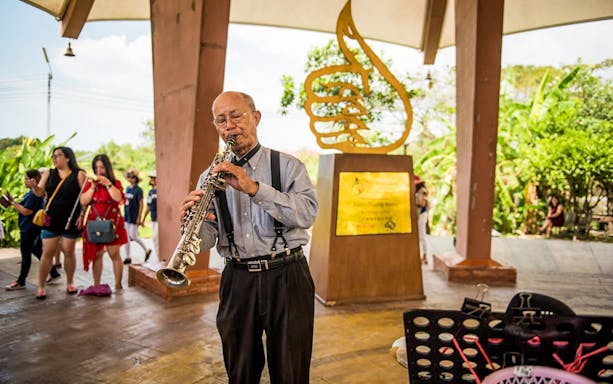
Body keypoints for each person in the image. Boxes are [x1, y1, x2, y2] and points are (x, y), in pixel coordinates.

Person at [181, 91, 319, 383]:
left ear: (255, 118)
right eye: (221, 120)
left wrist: (255, 188)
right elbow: (209, 237)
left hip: (287, 274)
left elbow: (307, 214)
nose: (229, 125)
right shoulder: (209, 176)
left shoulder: (288, 166)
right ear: (217, 127)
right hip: (237, 279)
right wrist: (192, 226)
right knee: (239, 369)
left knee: (291, 370)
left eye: (236, 116)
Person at [28, 147, 87, 300]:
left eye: (57, 156)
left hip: (71, 219)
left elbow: (84, 198)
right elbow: (40, 192)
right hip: (51, 219)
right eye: (53, 156)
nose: (54, 159)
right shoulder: (49, 173)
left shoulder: (79, 174)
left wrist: (82, 214)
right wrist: (34, 186)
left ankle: (70, 282)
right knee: (47, 252)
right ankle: (41, 286)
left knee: (69, 251)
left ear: (67, 158)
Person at [5, 169, 61, 290]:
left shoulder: (34, 194)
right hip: (32, 227)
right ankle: (54, 273)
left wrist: (12, 202)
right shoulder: (33, 192)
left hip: (29, 228)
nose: (25, 181)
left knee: (26, 255)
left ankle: (21, 280)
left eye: (26, 178)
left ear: (33, 180)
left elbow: (26, 211)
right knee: (37, 251)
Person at [80, 154, 129, 290]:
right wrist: (92, 188)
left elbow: (118, 198)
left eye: (102, 167)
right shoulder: (90, 184)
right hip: (94, 223)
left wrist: (108, 184)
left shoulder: (115, 182)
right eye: (96, 167)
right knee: (97, 255)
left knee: (114, 254)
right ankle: (96, 284)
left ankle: (118, 284)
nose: (99, 170)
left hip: (112, 223)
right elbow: (83, 201)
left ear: (107, 168)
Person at [122, 169, 151, 265]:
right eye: (129, 176)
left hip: (134, 216)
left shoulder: (138, 190)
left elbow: (141, 204)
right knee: (126, 237)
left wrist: (139, 217)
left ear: (136, 179)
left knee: (133, 236)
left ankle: (146, 249)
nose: (130, 178)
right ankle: (127, 256)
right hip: (127, 215)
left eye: (133, 177)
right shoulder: (127, 188)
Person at [141, 171, 159, 262]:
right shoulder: (151, 192)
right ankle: (158, 258)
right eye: (151, 178)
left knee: (157, 238)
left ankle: (160, 259)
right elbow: (148, 206)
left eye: (154, 178)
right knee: (155, 239)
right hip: (153, 218)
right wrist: (143, 218)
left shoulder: (160, 190)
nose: (152, 180)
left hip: (160, 220)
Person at [414, 175, 429, 264]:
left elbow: (422, 204)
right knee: (419, 236)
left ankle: (425, 255)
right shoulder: (417, 191)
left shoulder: (422, 191)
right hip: (419, 215)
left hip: (422, 215)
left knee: (422, 236)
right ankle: (421, 255)